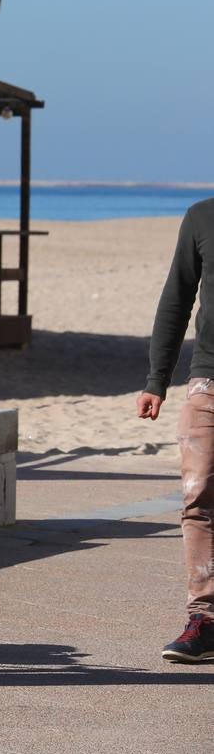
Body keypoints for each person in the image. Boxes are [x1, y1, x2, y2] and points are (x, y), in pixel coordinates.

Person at [138, 197, 214, 663]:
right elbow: (177, 298)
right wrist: (157, 380)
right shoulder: (202, 216)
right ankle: (203, 620)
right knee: (198, 499)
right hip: (208, 383)